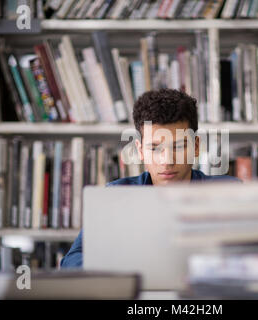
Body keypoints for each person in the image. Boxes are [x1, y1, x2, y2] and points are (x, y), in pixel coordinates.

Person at [60, 89, 240, 268]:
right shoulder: (117, 196)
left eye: (178, 146)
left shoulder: (229, 192)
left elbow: (256, 257)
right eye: (154, 148)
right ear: (139, 150)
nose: (167, 161)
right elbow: (71, 262)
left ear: (197, 146)